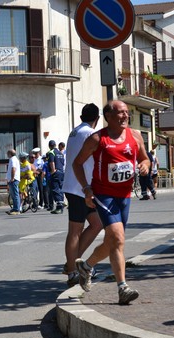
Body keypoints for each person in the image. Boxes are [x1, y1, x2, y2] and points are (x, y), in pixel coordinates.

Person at [72, 100, 150, 305]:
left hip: (125, 195)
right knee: (117, 238)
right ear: (108, 116)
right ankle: (122, 287)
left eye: (126, 113)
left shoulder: (135, 135)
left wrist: (144, 165)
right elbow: (77, 163)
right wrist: (86, 188)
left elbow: (145, 158)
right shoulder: (97, 138)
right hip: (103, 194)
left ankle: (86, 266)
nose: (125, 116)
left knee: (114, 242)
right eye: (120, 113)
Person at [62, 103, 103, 288]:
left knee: (97, 223)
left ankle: (72, 262)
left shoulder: (74, 132)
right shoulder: (89, 134)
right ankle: (72, 272)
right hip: (81, 187)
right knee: (75, 231)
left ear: (81, 116)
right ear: (97, 118)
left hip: (76, 186)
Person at [47, 140, 66, 214]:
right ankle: (61, 205)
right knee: (60, 188)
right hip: (61, 172)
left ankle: (59, 206)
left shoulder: (51, 152)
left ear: (50, 146)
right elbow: (63, 162)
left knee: (55, 189)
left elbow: (52, 162)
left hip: (56, 172)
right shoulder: (60, 153)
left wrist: (53, 170)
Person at [6, 149, 21, 215]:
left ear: (10, 154)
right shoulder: (13, 159)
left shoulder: (13, 159)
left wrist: (12, 178)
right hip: (12, 179)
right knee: (13, 195)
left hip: (13, 179)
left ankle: (17, 209)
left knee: (15, 194)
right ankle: (14, 208)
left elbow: (13, 168)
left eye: (8, 153)